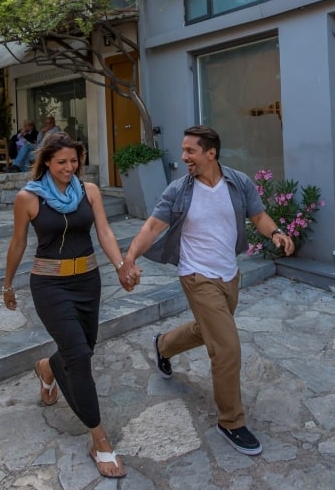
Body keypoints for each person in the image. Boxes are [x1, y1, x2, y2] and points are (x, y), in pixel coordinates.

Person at [120, 125, 294, 456]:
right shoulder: (178, 191)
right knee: (226, 347)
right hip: (196, 276)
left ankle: (164, 345)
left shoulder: (238, 182)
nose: (183, 157)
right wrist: (129, 257)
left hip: (229, 275)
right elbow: (152, 226)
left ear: (210, 153)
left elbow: (258, 216)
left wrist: (276, 234)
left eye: (190, 151)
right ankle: (231, 422)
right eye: (183, 150)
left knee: (209, 331)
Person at [0, 133, 128, 478]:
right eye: (61, 163)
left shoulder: (89, 192)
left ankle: (47, 367)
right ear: (46, 163)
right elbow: (17, 244)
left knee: (84, 347)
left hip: (88, 280)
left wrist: (120, 266)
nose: (69, 168)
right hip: (49, 285)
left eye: (74, 162)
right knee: (79, 356)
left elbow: (104, 233)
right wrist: (8, 284)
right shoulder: (28, 198)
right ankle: (98, 438)